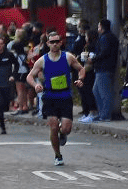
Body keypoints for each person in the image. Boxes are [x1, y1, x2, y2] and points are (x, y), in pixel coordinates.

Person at [26, 31, 85, 165]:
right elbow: (29, 76)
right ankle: (58, 155)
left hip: (65, 96)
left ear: (60, 42)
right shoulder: (42, 60)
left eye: (57, 41)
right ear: (47, 43)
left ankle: (62, 133)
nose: (54, 44)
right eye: (51, 42)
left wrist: (80, 79)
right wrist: (36, 85)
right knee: (53, 127)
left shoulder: (68, 57)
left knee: (66, 128)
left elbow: (81, 69)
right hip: (50, 96)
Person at [0, 36, 18, 134]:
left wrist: (13, 75)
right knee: (0, 104)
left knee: (6, 103)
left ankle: (5, 109)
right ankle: (2, 126)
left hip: (6, 82)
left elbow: (16, 65)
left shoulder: (9, 55)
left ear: (4, 45)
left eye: (1, 44)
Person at [92, 19, 119, 122]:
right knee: (97, 91)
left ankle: (105, 115)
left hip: (104, 68)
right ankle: (102, 113)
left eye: (99, 26)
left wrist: (93, 59)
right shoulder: (111, 37)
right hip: (105, 67)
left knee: (104, 93)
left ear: (102, 27)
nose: (98, 29)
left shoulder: (104, 38)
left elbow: (104, 53)